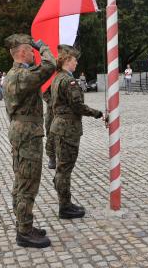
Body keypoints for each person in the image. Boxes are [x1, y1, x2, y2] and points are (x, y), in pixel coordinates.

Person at [3, 34, 55, 248]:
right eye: (31, 51)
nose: (35, 54)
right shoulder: (22, 75)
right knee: (28, 182)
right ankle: (24, 232)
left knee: (21, 178)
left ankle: (24, 224)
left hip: (21, 131)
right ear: (23, 52)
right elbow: (50, 65)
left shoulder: (15, 74)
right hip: (27, 133)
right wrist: (43, 47)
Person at [50, 45, 105, 221]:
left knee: (62, 168)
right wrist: (98, 113)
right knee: (65, 169)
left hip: (59, 126)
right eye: (74, 59)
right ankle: (65, 207)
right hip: (68, 129)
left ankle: (64, 200)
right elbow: (77, 106)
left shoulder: (57, 78)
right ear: (67, 60)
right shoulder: (68, 81)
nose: (76, 62)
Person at [42, 88, 55, 169]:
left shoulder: (68, 76)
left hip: (64, 111)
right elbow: (43, 91)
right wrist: (52, 102)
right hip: (51, 112)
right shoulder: (50, 77)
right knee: (50, 134)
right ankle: (52, 157)